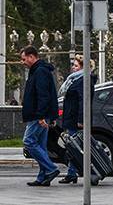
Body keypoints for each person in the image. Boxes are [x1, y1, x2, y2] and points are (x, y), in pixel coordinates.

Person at [20, 45, 60, 186]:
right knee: (41, 146)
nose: (22, 62)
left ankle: (51, 168)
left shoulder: (40, 71)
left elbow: (44, 95)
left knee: (29, 141)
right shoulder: (39, 70)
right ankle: (43, 177)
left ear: (32, 56)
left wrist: (42, 116)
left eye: (24, 59)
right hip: (41, 114)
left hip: (38, 115)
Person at [58, 55, 98, 184]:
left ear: (83, 67)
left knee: (77, 148)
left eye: (76, 66)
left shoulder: (83, 80)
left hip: (76, 120)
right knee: (73, 147)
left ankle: (87, 173)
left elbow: (84, 101)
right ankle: (72, 173)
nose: (73, 68)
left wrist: (82, 120)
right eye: (73, 65)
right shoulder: (77, 80)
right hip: (72, 118)